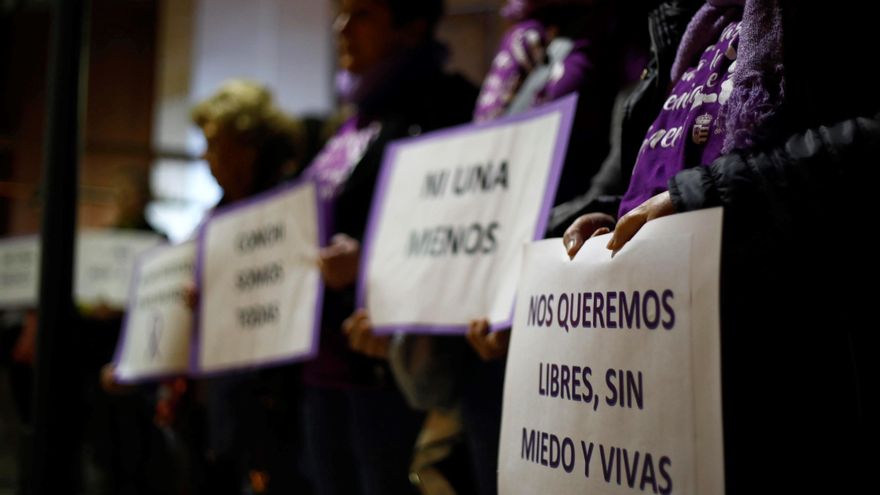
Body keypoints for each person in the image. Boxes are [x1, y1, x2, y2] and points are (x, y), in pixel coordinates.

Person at [562, 1, 880, 491]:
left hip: (795, 382)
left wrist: (712, 196)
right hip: (668, 376)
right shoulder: (692, 21)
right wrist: (614, 214)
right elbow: (667, 171)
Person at [299, 1, 478, 494]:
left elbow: (458, 227)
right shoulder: (354, 120)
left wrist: (370, 263)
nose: (342, 28)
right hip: (326, 366)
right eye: (340, 13)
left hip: (391, 371)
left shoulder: (447, 108)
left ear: (412, 24)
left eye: (363, 13)